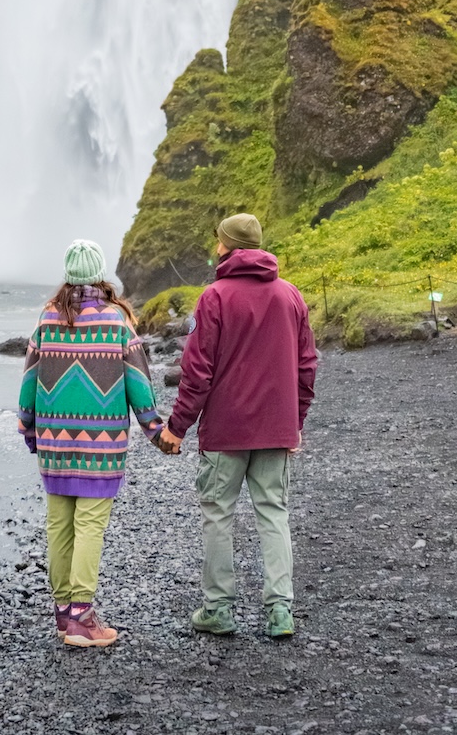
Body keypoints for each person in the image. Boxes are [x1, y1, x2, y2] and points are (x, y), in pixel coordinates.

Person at [158, 213, 317, 639]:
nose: (215, 248)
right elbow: (307, 365)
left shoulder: (214, 297)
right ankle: (280, 611)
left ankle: (218, 610)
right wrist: (294, 423)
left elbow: (197, 371)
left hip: (225, 431)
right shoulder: (291, 295)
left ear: (228, 246)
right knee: (274, 514)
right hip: (276, 429)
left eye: (218, 241)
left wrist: (177, 426)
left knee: (217, 516)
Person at [18, 238, 165, 647]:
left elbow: (29, 379)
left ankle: (64, 613)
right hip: (103, 443)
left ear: (67, 275)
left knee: (58, 524)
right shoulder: (117, 321)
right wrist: (156, 430)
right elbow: (138, 381)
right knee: (90, 525)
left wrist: (29, 430)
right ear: (100, 275)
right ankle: (83, 616)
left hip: (54, 439)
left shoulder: (47, 319)